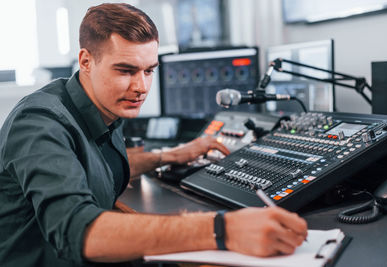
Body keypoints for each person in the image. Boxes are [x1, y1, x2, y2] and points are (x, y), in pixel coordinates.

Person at [0, 3, 307, 267]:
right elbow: (79, 231)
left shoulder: (102, 108)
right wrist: (224, 229)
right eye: (125, 70)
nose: (142, 87)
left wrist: (170, 155)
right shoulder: (39, 122)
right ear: (85, 61)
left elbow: (91, 167)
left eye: (148, 70)